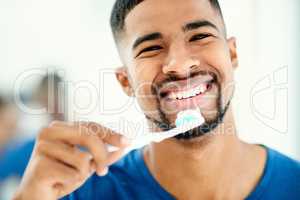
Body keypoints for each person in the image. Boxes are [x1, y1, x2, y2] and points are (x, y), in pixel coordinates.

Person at [14, 0, 300, 200]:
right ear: (125, 81)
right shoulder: (76, 195)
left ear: (233, 54)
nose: (179, 64)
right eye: (151, 48)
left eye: (200, 35)